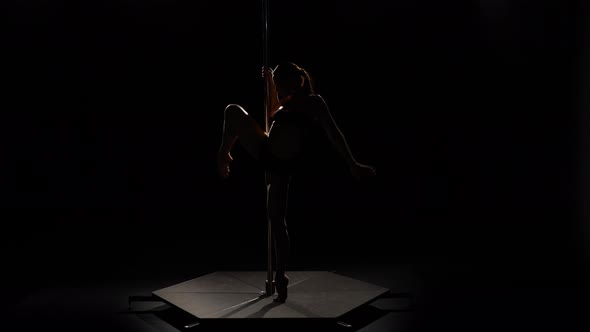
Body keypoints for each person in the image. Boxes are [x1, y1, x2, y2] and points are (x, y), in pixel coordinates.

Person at [216, 61, 376, 302]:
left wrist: (352, 163)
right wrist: (269, 82)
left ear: (294, 82)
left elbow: (334, 133)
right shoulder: (286, 101)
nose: (279, 92)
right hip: (266, 150)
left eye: (281, 85)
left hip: (281, 166)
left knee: (277, 221)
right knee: (232, 111)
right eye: (277, 87)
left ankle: (281, 275)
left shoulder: (313, 103)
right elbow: (271, 112)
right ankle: (223, 154)